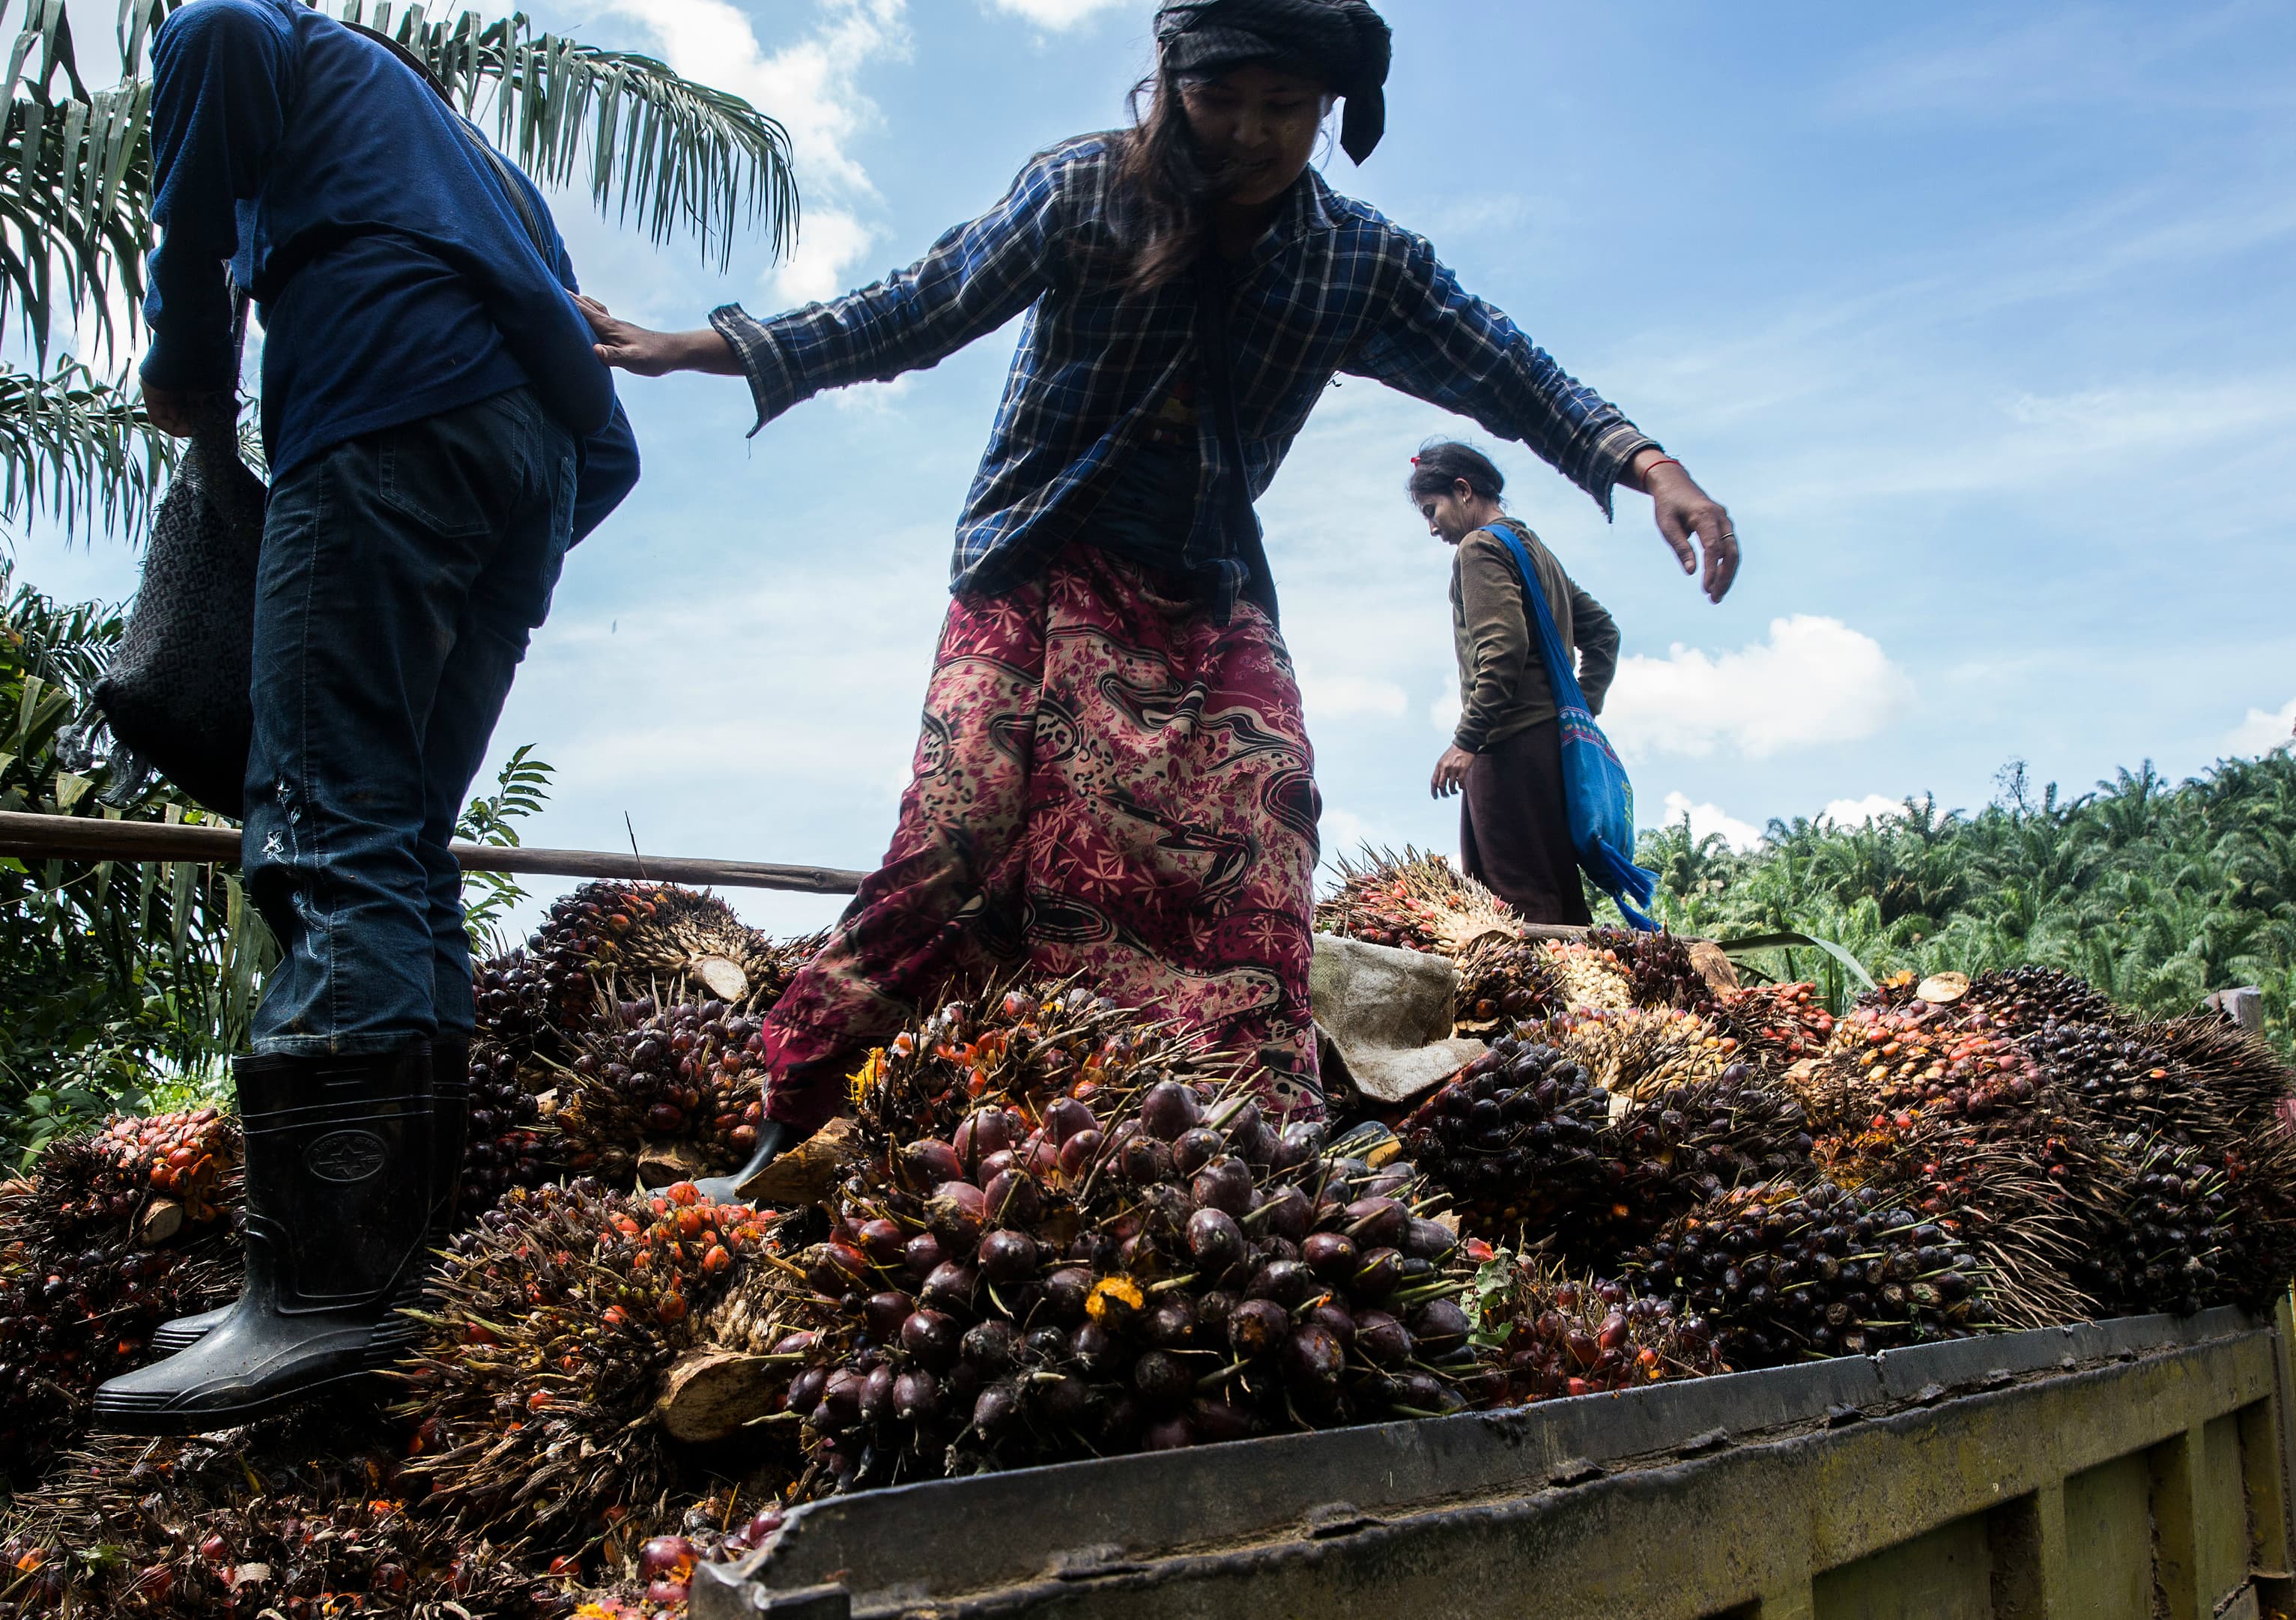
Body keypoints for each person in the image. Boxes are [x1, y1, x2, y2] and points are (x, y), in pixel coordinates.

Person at [582, 0, 1736, 1159]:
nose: (1248, 132)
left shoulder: (1354, 260)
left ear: (1331, 110)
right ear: (1169, 83)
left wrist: (1651, 467)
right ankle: (794, 1117)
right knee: (961, 835)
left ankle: (1238, 1152)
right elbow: (918, 306)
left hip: (1206, 591)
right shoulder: (1087, 193)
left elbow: (1507, 364)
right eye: (1218, 100)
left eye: (1284, 108)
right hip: (1034, 567)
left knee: (1263, 831)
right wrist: (700, 345)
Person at [93, 0, 640, 1434]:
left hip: (386, 410)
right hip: (534, 475)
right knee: (395, 839)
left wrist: (207, 419)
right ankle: (387, 1272)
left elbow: (198, 182)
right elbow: (606, 450)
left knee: (333, 826)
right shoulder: (465, 156)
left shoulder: (234, 29)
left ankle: (323, 1299)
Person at [1414, 440, 1620, 926]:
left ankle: (1549, 1004)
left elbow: (1503, 648)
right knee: (1558, 896)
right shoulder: (1533, 548)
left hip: (1506, 749)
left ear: (1463, 491)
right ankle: (1591, 999)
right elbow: (1604, 633)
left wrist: (1467, 741)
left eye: (1432, 509)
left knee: (1514, 906)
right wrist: (1570, 716)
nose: (1432, 527)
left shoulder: (1480, 547)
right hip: (1552, 753)